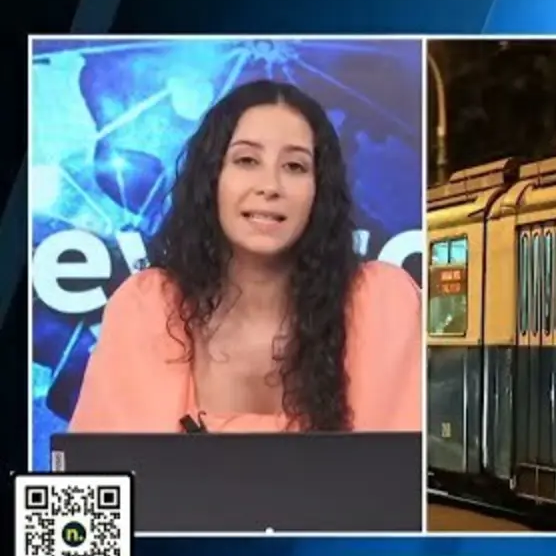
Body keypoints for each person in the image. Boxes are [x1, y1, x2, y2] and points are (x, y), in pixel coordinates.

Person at [68, 80, 423, 434]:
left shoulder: (380, 302)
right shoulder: (147, 305)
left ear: (319, 190)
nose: (270, 186)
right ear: (212, 178)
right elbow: (108, 465)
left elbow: (400, 463)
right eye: (247, 160)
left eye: (295, 166)